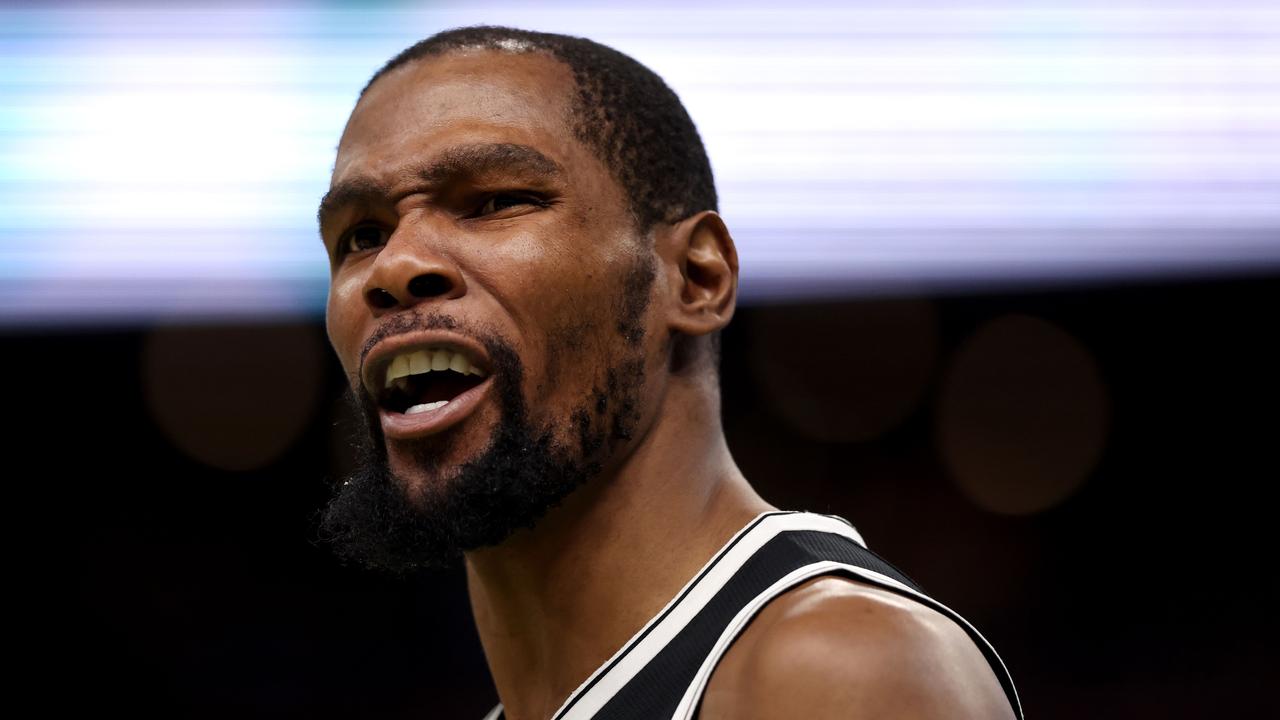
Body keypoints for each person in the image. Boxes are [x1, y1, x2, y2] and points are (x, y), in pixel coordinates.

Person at [315, 25, 1022, 720]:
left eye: (495, 201)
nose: (395, 267)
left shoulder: (833, 668)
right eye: (362, 236)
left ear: (694, 277)